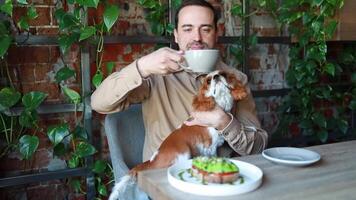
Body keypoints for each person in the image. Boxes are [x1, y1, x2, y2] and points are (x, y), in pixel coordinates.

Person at [92, 0, 267, 167]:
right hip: (165, 177)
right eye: (187, 29)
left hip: (217, 178)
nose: (197, 37)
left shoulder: (236, 78)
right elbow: (99, 103)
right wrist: (141, 67)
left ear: (216, 33)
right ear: (176, 35)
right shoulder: (155, 74)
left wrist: (224, 121)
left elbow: (258, 147)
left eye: (205, 29)